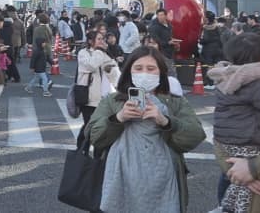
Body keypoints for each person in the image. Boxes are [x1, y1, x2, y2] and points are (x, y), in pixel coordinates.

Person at [87, 46, 206, 213]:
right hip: (120, 178)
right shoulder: (113, 101)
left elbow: (195, 135)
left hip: (163, 180)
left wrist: (165, 121)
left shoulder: (175, 102)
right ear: (129, 71)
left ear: (161, 72)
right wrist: (118, 118)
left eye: (151, 69)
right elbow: (94, 136)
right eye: (138, 68)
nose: (144, 73)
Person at [208, 33, 260, 212]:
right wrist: (252, 169)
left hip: (228, 149)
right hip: (252, 148)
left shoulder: (225, 78)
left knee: (234, 193)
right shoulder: (259, 82)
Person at [76, 30, 118, 145]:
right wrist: (99, 52)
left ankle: (97, 154)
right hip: (89, 97)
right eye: (98, 39)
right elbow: (91, 66)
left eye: (102, 39)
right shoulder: (83, 53)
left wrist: (111, 68)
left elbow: (115, 74)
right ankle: (81, 149)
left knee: (102, 126)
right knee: (89, 125)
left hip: (104, 97)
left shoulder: (103, 53)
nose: (101, 41)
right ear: (90, 41)